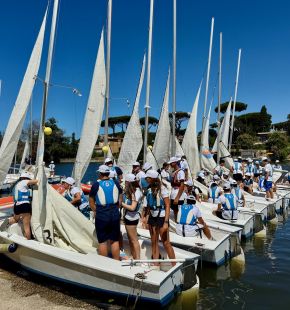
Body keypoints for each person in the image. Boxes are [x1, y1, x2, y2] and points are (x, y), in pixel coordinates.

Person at [89, 165, 123, 260]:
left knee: (103, 241)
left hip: (102, 214)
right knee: (114, 240)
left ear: (100, 173)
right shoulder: (116, 182)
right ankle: (116, 262)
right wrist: (117, 207)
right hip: (114, 214)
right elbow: (120, 197)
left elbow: (91, 201)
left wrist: (96, 211)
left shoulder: (96, 184)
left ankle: (105, 264)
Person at [143, 170, 175, 264]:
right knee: (154, 241)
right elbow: (148, 205)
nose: (146, 179)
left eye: (147, 178)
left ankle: (174, 264)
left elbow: (168, 205)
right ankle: (155, 264)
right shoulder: (149, 189)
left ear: (152, 178)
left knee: (166, 242)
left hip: (161, 217)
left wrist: (166, 222)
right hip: (152, 217)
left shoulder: (163, 189)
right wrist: (145, 217)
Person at [0, 172, 37, 239]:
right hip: (24, 205)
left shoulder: (18, 184)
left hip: (17, 206)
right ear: (26, 178)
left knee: (15, 219)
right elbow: (36, 181)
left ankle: (8, 222)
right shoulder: (24, 181)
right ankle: (29, 241)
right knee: (27, 226)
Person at [121, 174, 143, 259]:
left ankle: (137, 259)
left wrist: (121, 204)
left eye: (126, 182)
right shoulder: (133, 191)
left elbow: (133, 207)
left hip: (131, 218)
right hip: (129, 217)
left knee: (134, 240)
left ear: (128, 182)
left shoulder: (135, 192)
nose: (125, 183)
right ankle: (133, 256)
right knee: (131, 239)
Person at [168, 157, 185, 221]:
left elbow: (182, 185)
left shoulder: (180, 172)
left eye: (171, 163)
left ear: (175, 163)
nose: (170, 165)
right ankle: (175, 223)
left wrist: (177, 197)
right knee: (175, 211)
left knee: (179, 212)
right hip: (173, 193)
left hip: (178, 195)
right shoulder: (173, 172)